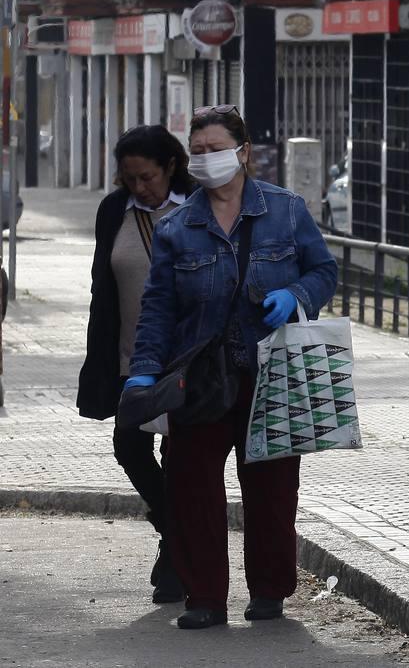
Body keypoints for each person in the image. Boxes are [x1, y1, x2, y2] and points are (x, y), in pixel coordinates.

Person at [127, 104, 338, 630]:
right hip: (198, 377)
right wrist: (144, 370)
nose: (205, 160)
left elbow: (324, 271)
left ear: (242, 152)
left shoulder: (286, 211)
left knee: (272, 490)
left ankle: (269, 591)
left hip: (272, 375)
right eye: (196, 152)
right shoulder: (178, 227)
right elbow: (158, 308)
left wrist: (296, 294)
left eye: (215, 149)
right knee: (192, 489)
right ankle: (204, 598)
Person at [77, 125, 194, 603]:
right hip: (130, 357)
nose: (139, 188)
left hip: (187, 359)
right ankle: (176, 536)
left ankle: (178, 559)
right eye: (129, 180)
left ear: (170, 166)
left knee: (181, 457)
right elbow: (102, 284)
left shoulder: (198, 207)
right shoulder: (113, 211)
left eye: (146, 177)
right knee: (129, 447)